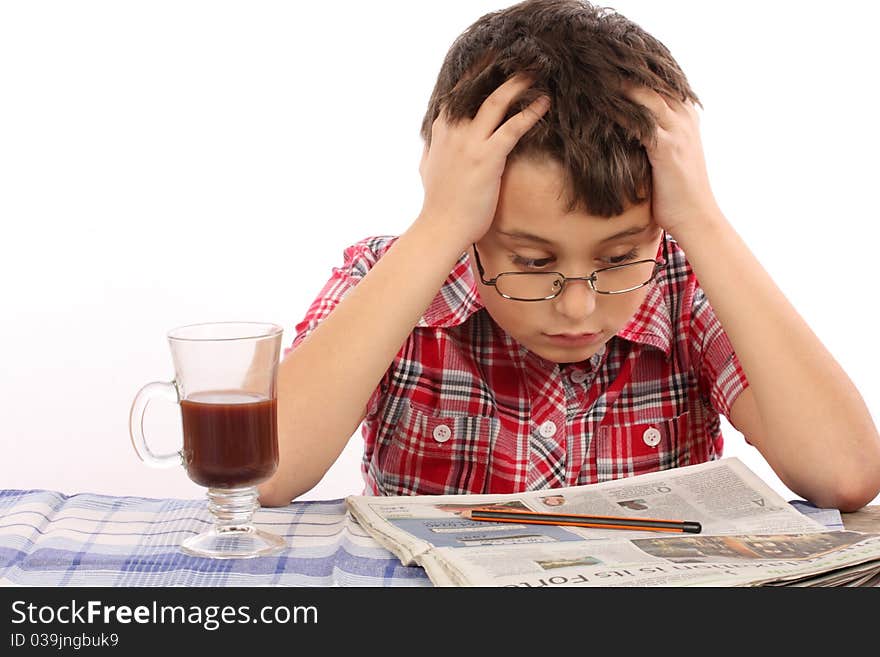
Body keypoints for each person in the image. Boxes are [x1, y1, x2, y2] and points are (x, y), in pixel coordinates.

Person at [258, 0, 880, 511]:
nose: (579, 307)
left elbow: (844, 476)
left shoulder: (686, 283)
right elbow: (260, 472)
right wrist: (437, 223)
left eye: (618, 258)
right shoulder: (389, 277)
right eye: (532, 261)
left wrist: (704, 220)